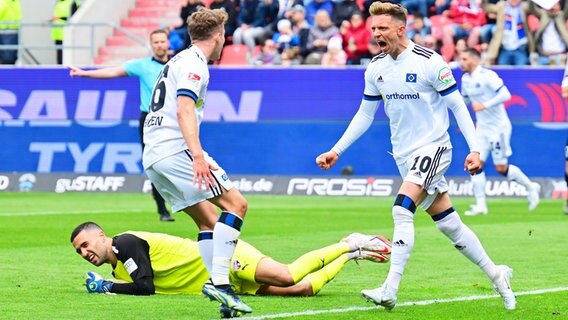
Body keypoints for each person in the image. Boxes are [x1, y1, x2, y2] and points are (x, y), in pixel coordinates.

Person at [315, 1, 516, 311]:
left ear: (400, 29)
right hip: (404, 155)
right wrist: (336, 149)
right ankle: (497, 273)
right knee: (449, 223)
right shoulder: (376, 67)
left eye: (382, 28)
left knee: (401, 208)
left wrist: (475, 148)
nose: (376, 34)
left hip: (434, 147)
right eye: (373, 29)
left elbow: (458, 106)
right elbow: (365, 114)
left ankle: (390, 289)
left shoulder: (430, 62)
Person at [141, 8, 252, 315]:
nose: (225, 41)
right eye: (224, 36)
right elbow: (184, 110)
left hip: (153, 156)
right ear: (218, 37)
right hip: (175, 149)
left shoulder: (177, 59)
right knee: (236, 205)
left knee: (207, 221)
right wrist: (199, 156)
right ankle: (221, 285)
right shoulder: (195, 64)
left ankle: (220, 293)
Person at [70, 221, 391, 317]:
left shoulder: (125, 242)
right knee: (302, 289)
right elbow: (137, 283)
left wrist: (105, 288)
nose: (85, 253)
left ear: (102, 236)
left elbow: (145, 287)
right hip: (222, 283)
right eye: (79, 251)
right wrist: (110, 283)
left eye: (86, 245)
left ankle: (349, 242)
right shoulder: (118, 268)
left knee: (287, 274)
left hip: (223, 259)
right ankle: (350, 254)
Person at [69, 29, 175, 223]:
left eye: (162, 41)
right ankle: (162, 210)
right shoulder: (142, 66)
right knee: (154, 164)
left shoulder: (177, 65)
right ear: (151, 45)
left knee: (179, 160)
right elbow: (113, 72)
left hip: (174, 120)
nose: (159, 45)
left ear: (168, 43)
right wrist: (85, 73)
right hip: (149, 120)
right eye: (156, 42)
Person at [459, 48, 540, 215]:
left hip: (498, 128)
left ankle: (531, 187)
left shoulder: (488, 76)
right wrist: (467, 123)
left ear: (474, 60)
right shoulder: (466, 79)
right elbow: (463, 102)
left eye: (465, 59)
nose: (462, 62)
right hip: (482, 128)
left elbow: (505, 94)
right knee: (475, 164)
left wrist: (485, 105)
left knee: (501, 168)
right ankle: (481, 205)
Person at [51, 0, 80, 64]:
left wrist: (59, 18)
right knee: (59, 56)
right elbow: (57, 17)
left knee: (66, 56)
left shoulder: (72, 2)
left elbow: (74, 18)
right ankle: (59, 71)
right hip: (57, 34)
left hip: (67, 35)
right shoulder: (58, 2)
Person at [0, 0, 21, 64]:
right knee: (10, 58)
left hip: (6, 31)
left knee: (8, 58)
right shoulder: (16, 2)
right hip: (13, 31)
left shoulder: (4, 2)